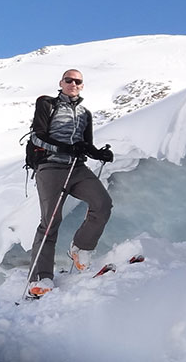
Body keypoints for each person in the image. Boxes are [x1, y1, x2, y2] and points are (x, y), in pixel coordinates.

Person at [27, 69, 114, 298]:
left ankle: (81, 247)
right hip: (50, 167)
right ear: (61, 83)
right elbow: (37, 136)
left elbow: (85, 146)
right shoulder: (47, 104)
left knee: (102, 203)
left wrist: (99, 154)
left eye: (78, 81)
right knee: (50, 220)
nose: (73, 83)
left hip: (76, 168)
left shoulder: (85, 113)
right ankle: (41, 278)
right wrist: (66, 148)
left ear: (82, 85)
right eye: (69, 80)